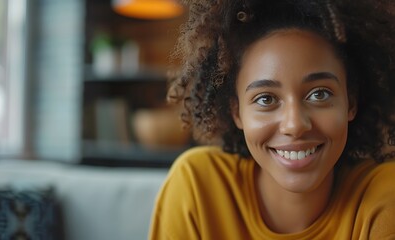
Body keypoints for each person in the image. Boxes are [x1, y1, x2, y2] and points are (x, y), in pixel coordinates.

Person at [149, 0, 395, 239]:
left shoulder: (383, 196)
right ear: (237, 112)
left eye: (319, 94)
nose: (295, 124)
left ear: (350, 103)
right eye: (266, 99)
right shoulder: (198, 189)